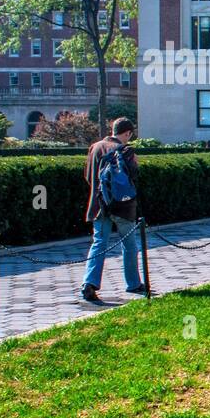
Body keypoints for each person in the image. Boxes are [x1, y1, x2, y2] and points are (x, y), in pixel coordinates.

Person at [80, 117, 144, 305]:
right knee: (129, 244)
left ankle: (89, 283)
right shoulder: (126, 150)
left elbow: (87, 176)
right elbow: (133, 177)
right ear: (128, 133)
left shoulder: (95, 147)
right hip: (123, 206)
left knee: (99, 243)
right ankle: (133, 283)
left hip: (99, 205)